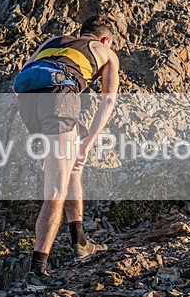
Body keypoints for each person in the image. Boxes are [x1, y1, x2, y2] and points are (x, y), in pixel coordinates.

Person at [14, 15, 121, 281]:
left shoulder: (54, 41)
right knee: (56, 188)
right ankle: (37, 271)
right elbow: (108, 102)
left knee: (70, 169)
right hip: (60, 100)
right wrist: (89, 143)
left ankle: (80, 242)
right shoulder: (105, 51)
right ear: (105, 39)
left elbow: (22, 73)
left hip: (28, 104)